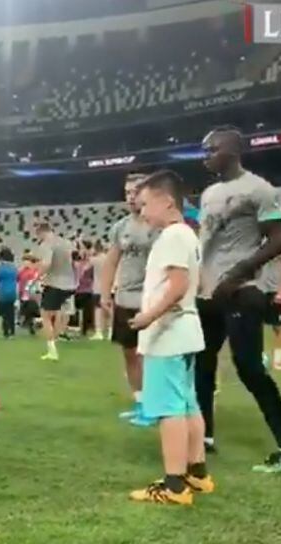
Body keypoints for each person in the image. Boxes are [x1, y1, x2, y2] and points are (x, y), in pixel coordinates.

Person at [196, 127, 281, 472]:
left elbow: (277, 241)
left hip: (243, 292)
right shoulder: (209, 193)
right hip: (209, 292)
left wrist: (238, 273)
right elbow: (207, 243)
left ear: (231, 150)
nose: (205, 156)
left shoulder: (259, 189)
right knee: (201, 363)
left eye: (210, 149)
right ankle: (204, 435)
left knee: (249, 368)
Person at [127, 170, 213, 505]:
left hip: (169, 334)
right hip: (185, 332)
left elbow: (176, 286)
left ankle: (174, 485)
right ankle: (197, 473)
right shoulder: (185, 234)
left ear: (167, 201)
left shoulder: (174, 236)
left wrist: (149, 316)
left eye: (146, 203)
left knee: (169, 408)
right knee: (188, 404)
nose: (142, 210)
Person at [99, 171, 158, 425]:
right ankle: (141, 401)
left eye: (136, 192)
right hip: (125, 298)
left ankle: (157, 404)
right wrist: (105, 293)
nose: (131, 198)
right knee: (129, 353)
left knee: (152, 355)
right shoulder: (120, 227)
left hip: (152, 299)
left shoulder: (158, 224)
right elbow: (111, 261)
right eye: (127, 193)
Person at [34, 222, 75, 361]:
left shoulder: (47, 244)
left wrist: (36, 277)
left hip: (54, 283)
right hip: (69, 283)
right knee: (58, 313)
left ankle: (52, 350)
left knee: (45, 316)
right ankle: (55, 343)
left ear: (40, 232)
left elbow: (47, 263)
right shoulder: (65, 243)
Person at [260, 239, 281, 371]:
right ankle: (258, 358)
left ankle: (278, 361)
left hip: (275, 290)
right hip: (256, 289)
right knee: (255, 325)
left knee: (278, 327)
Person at [0, 247, 19, 339]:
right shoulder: (14, 268)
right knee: (11, 313)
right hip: (12, 292)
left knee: (5, 314)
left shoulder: (1, 268)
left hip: (3, 292)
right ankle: (12, 331)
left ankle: (6, 332)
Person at [89, 244, 109, 340]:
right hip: (109, 286)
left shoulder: (95, 260)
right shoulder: (108, 258)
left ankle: (99, 332)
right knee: (109, 310)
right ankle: (110, 330)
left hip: (98, 287)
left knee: (98, 310)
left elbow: (85, 266)